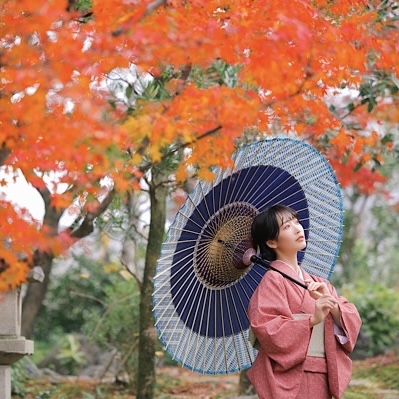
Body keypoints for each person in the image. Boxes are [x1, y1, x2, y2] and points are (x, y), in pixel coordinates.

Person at [247, 204, 361, 399]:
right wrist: (311, 320)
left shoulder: (319, 282)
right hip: (291, 376)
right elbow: (267, 327)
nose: (298, 228)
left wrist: (331, 303)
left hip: (321, 373)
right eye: (287, 227)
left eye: (296, 222)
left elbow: (351, 317)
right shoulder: (273, 280)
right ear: (272, 242)